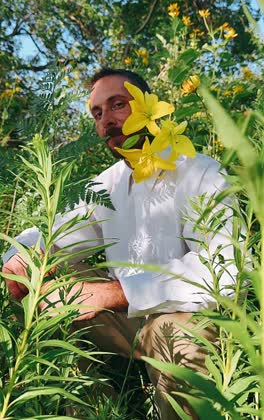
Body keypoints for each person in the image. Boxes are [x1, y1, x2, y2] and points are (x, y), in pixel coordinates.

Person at [2, 68, 237, 419]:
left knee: (176, 332)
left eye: (118, 105)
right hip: (124, 321)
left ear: (150, 107)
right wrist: (19, 258)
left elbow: (224, 268)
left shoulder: (201, 172)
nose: (107, 120)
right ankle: (93, 409)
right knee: (50, 283)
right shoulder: (109, 183)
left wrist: (115, 292)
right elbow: (54, 229)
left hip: (183, 322)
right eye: (97, 113)